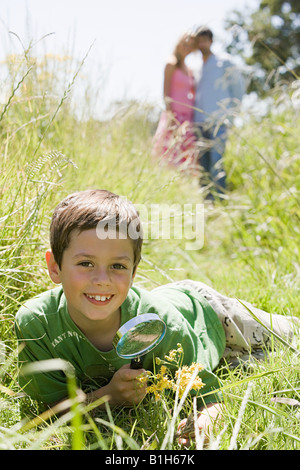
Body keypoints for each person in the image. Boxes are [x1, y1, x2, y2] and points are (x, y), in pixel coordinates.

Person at [15, 189, 299, 445]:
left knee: (289, 336)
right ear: (55, 267)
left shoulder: (161, 320)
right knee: (251, 362)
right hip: (188, 346)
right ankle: (223, 356)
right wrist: (107, 397)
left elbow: (211, 399)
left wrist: (205, 422)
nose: (102, 280)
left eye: (117, 265)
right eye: (85, 263)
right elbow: (50, 411)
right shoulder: (36, 325)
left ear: (134, 273)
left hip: (207, 312)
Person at [193, 26, 245, 197]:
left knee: (217, 162)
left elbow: (237, 89)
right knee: (204, 165)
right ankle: (207, 201)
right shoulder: (197, 67)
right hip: (199, 121)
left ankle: (221, 199)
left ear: (211, 41)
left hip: (219, 121)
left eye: (204, 40)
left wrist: (232, 114)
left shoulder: (225, 62)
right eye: (199, 41)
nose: (201, 44)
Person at [153, 32, 198, 170]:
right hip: (174, 116)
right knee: (170, 154)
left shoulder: (189, 69)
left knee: (186, 156)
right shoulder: (171, 63)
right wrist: (171, 116)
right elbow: (166, 93)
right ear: (178, 43)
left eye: (190, 46)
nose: (186, 48)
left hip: (188, 118)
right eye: (184, 44)